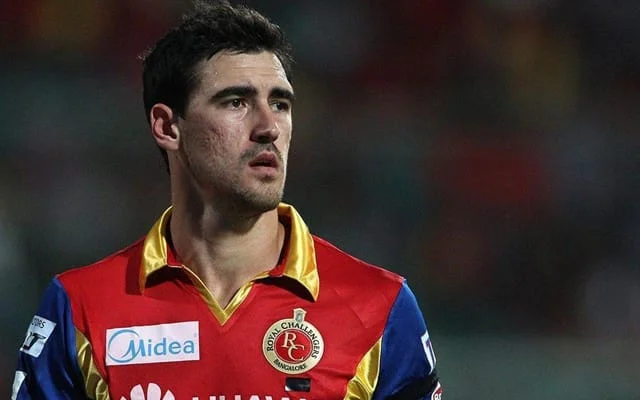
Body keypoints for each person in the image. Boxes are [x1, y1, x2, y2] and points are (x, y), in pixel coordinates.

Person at [12, 1, 443, 399]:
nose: (268, 126)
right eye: (236, 102)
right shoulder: (80, 309)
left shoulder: (379, 307)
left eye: (280, 104)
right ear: (167, 126)